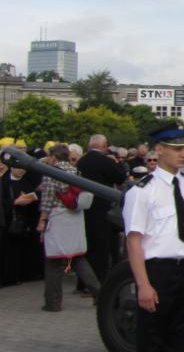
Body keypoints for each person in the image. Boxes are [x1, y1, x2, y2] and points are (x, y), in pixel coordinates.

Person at [123, 122, 184, 352]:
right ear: (159, 150)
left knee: (177, 339)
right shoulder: (142, 192)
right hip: (157, 271)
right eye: (177, 149)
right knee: (152, 341)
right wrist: (143, 285)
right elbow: (133, 241)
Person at [37, 144, 102, 312]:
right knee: (77, 258)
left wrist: (42, 220)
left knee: (53, 261)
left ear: (53, 156)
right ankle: (101, 295)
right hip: (75, 218)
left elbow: (48, 199)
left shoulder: (51, 173)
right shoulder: (75, 171)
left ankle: (53, 303)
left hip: (58, 219)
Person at [76, 134, 128, 285]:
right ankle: (100, 280)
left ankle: (83, 283)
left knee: (86, 245)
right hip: (102, 208)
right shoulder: (106, 161)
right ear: (104, 146)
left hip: (84, 208)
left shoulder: (81, 161)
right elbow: (120, 177)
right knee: (101, 247)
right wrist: (116, 162)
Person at [1, 155, 44, 285]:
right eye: (18, 168)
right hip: (9, 221)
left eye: (23, 169)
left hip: (26, 220)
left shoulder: (27, 182)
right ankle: (10, 277)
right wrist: (15, 202)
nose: (21, 171)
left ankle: (24, 274)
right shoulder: (3, 182)